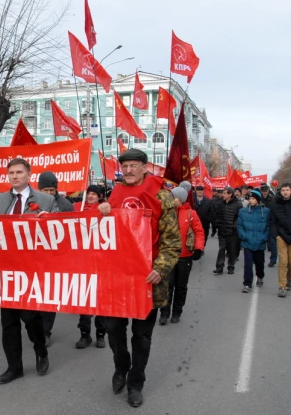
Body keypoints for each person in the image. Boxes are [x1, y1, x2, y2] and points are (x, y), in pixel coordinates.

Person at [98, 149, 181, 408]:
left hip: (148, 278)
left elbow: (172, 242)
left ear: (145, 167)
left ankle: (136, 382)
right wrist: (100, 210)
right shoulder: (114, 194)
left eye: (135, 165)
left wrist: (161, 268)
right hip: (118, 277)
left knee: (142, 336)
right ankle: (120, 367)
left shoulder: (162, 196)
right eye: (126, 166)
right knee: (113, 329)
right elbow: (100, 232)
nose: (130, 170)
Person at [0, 158, 58, 385]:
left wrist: (50, 221)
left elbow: (62, 231)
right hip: (6, 271)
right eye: (11, 172)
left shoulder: (46, 200)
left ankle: (41, 351)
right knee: (8, 322)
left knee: (31, 318)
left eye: (19, 172)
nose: (15, 176)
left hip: (32, 270)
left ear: (29, 175)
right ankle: (14, 367)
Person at [36, 171, 73, 347]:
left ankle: (45, 331)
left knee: (49, 297)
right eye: (45, 189)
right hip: (34, 257)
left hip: (55, 257)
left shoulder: (65, 205)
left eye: (51, 190)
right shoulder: (31, 202)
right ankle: (36, 328)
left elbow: (71, 233)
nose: (48, 193)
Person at [159, 187, 205, 325]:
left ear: (182, 199)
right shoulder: (166, 212)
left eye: (175, 197)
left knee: (181, 286)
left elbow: (199, 231)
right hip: (168, 256)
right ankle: (164, 313)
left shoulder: (191, 214)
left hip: (185, 256)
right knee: (167, 285)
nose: (172, 199)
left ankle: (177, 312)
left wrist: (198, 248)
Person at [73, 184, 107, 349]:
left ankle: (101, 335)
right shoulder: (76, 207)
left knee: (100, 300)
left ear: (100, 196)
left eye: (94, 193)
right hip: (82, 261)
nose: (91, 196)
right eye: (89, 193)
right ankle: (84, 335)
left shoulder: (105, 208)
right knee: (84, 299)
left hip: (100, 260)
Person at [269, 183, 291, 298]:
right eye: (283, 190)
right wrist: (276, 235)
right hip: (281, 236)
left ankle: (289, 280)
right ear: (280, 192)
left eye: (287, 190)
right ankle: (282, 286)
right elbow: (272, 222)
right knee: (283, 262)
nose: (285, 192)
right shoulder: (275, 205)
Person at [237, 190, 270, 293]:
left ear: (258, 199)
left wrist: (264, 237)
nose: (251, 200)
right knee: (248, 264)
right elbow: (239, 225)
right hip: (247, 242)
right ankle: (247, 284)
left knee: (259, 263)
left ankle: (260, 276)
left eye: (253, 198)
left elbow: (269, 226)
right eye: (250, 198)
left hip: (260, 242)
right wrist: (244, 236)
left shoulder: (266, 211)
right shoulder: (243, 211)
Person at [213, 187, 242, 275]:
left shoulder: (238, 204)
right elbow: (217, 215)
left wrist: (235, 225)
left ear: (230, 194)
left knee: (232, 250)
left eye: (225, 193)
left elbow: (240, 217)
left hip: (233, 232)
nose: (223, 195)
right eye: (223, 193)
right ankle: (219, 267)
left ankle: (231, 267)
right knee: (221, 249)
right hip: (222, 230)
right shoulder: (221, 203)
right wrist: (217, 224)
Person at [260, 184, 277, 267]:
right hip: (261, 221)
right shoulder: (259, 198)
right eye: (263, 191)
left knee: (272, 241)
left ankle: (273, 259)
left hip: (270, 222)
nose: (264, 193)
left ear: (268, 190)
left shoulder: (273, 198)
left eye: (265, 191)